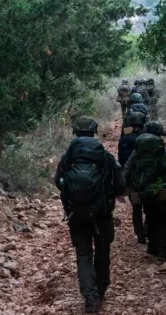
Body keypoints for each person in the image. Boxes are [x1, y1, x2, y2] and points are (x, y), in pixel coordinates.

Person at [54, 116, 126, 313]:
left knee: (83, 254)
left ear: (75, 132)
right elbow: (120, 185)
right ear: (94, 131)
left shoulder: (68, 156)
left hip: (76, 214)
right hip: (102, 213)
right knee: (103, 251)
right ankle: (101, 290)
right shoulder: (104, 155)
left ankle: (90, 298)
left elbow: (57, 181)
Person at [123, 121, 166, 261]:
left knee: (150, 216)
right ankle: (162, 251)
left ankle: (152, 247)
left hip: (145, 190)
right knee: (164, 220)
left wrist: (124, 187)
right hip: (164, 190)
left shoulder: (138, 151)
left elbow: (127, 168)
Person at [117, 111, 148, 244]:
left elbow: (122, 161)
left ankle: (140, 235)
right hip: (147, 179)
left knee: (136, 208)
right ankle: (147, 230)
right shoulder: (148, 138)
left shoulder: (124, 139)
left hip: (130, 179)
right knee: (149, 207)